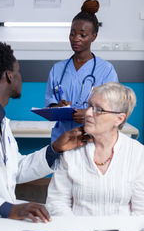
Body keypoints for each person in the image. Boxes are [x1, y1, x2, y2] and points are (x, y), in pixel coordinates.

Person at [0, 41, 89, 222]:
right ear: (9, 76)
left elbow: (16, 169)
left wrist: (55, 149)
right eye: (18, 71)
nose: (21, 77)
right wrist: (7, 209)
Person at [46, 82, 144, 216]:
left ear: (119, 119)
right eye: (89, 106)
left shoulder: (137, 154)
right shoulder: (72, 149)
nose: (88, 113)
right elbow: (57, 203)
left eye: (99, 109)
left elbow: (141, 212)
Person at [45, 0, 118, 142]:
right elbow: (50, 104)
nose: (76, 39)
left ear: (93, 37)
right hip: (62, 140)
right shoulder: (58, 69)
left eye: (82, 35)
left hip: (92, 140)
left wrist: (90, 114)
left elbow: (113, 109)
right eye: (72, 34)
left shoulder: (106, 70)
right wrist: (58, 107)